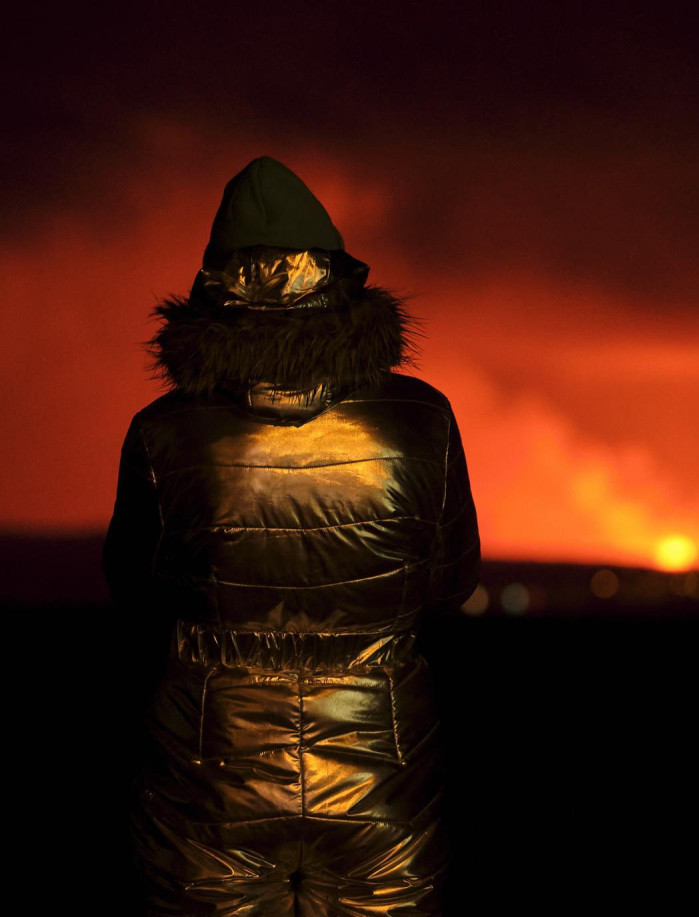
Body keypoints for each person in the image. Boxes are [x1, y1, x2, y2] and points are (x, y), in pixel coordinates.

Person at [103, 156, 482, 916]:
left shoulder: (164, 432)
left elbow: (135, 584)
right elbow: (452, 578)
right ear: (342, 279)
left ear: (215, 286)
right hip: (383, 766)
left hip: (210, 775)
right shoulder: (422, 418)